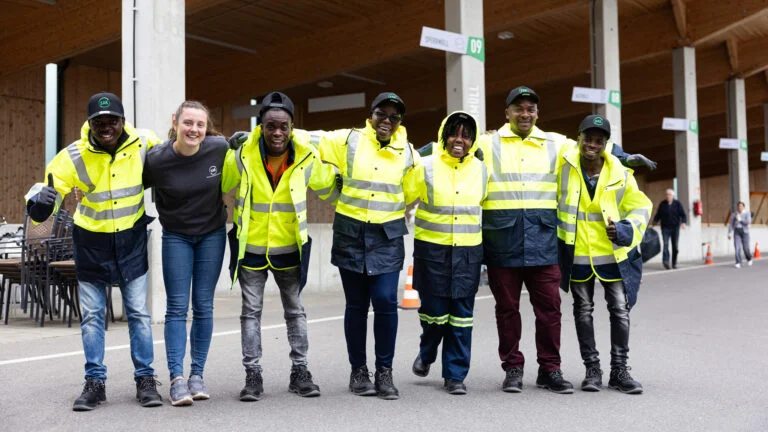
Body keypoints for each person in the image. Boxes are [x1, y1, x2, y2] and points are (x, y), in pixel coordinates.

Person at [476, 86, 656, 394]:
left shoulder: (556, 144)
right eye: (518, 108)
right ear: (506, 112)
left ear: (537, 113)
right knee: (507, 310)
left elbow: (593, 146)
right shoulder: (486, 142)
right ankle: (514, 369)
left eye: (531, 108)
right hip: (503, 241)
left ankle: (550, 369)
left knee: (551, 310)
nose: (525, 113)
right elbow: (453, 143)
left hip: (544, 243)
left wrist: (625, 155)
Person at [24, 92, 163, 411]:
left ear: (122, 121)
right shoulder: (72, 156)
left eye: (112, 120)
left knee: (139, 315)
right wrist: (39, 205)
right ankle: (95, 383)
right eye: (99, 121)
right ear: (89, 124)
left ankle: (145, 379)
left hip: (130, 240)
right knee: (91, 318)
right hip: (91, 242)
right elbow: (47, 189)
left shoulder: (143, 142)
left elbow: (174, 152)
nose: (106, 127)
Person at [222, 92, 338, 402]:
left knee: (295, 313)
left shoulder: (306, 157)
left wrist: (362, 178)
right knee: (250, 314)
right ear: (260, 127)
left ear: (291, 128)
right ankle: (253, 376)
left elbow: (332, 189)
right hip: (252, 250)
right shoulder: (243, 155)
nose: (277, 133)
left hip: (290, 248)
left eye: (283, 127)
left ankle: (300, 372)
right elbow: (222, 183)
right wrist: (228, 148)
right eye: (270, 126)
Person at [312, 92, 420, 400]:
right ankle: (358, 371)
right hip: (351, 233)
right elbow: (310, 140)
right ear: (370, 115)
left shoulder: (408, 152)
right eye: (381, 114)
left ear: (400, 123)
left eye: (394, 117)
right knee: (356, 306)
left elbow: (413, 187)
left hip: (387, 236)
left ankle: (384, 372)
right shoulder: (349, 140)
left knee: (386, 301)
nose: (386, 120)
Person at [556, 114, 652, 394]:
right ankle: (592, 371)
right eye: (588, 138)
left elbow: (641, 207)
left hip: (613, 256)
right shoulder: (564, 166)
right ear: (579, 138)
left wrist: (625, 230)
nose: (592, 144)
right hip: (578, 256)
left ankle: (620, 372)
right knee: (582, 312)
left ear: (606, 144)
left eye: (599, 140)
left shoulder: (621, 174)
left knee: (620, 312)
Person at [142, 101, 228, 406]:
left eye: (200, 125)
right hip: (176, 236)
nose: (194, 130)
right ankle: (177, 379)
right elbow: (129, 183)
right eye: (188, 123)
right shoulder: (156, 159)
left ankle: (197, 376)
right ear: (175, 122)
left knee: (203, 305)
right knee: (177, 307)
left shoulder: (218, 148)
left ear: (207, 128)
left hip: (212, 235)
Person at [407, 112, 488, 395]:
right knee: (435, 315)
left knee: (462, 318)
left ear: (472, 140)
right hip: (433, 252)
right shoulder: (426, 166)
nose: (459, 140)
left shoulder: (481, 170)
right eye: (454, 133)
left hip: (467, 253)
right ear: (444, 135)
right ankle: (427, 351)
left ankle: (455, 375)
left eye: (466, 135)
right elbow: (403, 195)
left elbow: (486, 209)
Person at [652, 189, 687, 269]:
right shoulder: (662, 204)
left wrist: (683, 223)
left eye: (669, 194)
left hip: (675, 228)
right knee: (665, 245)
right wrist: (654, 223)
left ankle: (674, 263)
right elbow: (658, 215)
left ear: (673, 196)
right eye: (666, 194)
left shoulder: (677, 204)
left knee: (675, 246)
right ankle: (666, 261)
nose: (668, 196)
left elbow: (683, 215)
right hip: (665, 228)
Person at [728, 201, 753, 268]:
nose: (740, 207)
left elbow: (748, 222)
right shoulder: (734, 214)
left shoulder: (747, 213)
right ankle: (738, 262)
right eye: (739, 206)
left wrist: (740, 219)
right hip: (737, 232)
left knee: (746, 248)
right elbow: (731, 224)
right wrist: (729, 233)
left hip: (745, 232)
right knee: (737, 248)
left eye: (741, 206)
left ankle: (749, 258)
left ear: (743, 207)